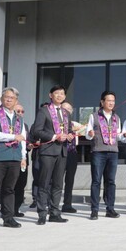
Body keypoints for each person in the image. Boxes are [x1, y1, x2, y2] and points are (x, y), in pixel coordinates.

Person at [0, 87, 27, 231]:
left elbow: (23, 140)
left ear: (16, 101)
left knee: (9, 189)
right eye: (6, 97)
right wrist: (13, 137)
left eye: (12, 98)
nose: (8, 100)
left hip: (14, 157)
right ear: (1, 99)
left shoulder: (19, 119)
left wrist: (23, 157)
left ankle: (8, 217)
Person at [32, 85, 74, 225]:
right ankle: (42, 213)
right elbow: (37, 131)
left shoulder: (66, 113)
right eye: (57, 93)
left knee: (57, 183)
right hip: (48, 151)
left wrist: (69, 135)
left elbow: (68, 130)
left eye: (62, 93)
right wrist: (55, 136)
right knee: (44, 183)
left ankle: (55, 212)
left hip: (62, 151)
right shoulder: (44, 111)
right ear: (51, 95)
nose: (60, 96)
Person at [85, 91, 122, 220]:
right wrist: (90, 133)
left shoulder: (116, 118)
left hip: (113, 152)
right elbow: (87, 134)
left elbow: (119, 135)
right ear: (102, 102)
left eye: (113, 101)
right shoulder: (94, 116)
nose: (111, 103)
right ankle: (94, 210)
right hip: (98, 152)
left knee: (111, 181)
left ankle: (110, 209)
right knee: (96, 181)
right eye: (108, 100)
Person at [61, 101, 84, 214]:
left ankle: (67, 204)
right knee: (56, 180)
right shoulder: (58, 123)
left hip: (72, 153)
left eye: (69, 110)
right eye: (64, 109)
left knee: (70, 180)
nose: (66, 112)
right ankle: (52, 204)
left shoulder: (75, 124)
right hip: (60, 153)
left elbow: (85, 130)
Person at [13, 104, 33, 217]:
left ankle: (16, 208)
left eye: (22, 111)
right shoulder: (8, 124)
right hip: (11, 158)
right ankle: (7, 209)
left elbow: (27, 141)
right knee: (11, 185)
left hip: (23, 159)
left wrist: (29, 145)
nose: (20, 113)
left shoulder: (24, 125)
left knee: (21, 184)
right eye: (18, 111)